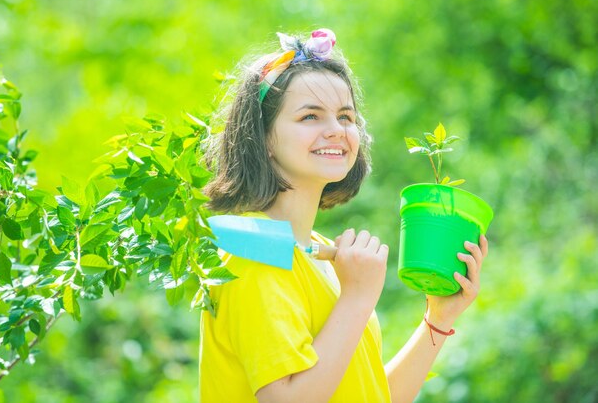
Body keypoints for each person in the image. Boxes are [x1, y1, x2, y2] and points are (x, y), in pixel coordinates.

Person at [199, 28, 488, 403]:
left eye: (346, 117)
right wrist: (357, 298)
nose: (336, 131)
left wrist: (438, 319)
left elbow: (369, 394)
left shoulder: (315, 253)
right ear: (264, 138)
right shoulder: (254, 254)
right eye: (310, 117)